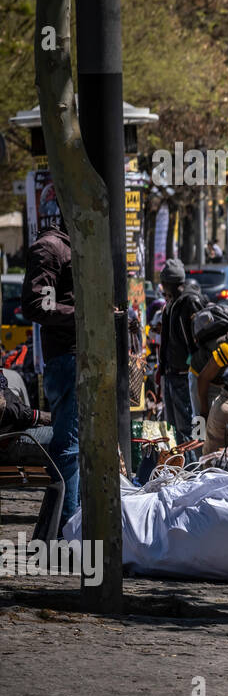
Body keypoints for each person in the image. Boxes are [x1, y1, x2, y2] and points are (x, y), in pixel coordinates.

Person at [21, 217, 78, 531]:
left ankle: (56, 531)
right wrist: (84, 313)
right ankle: (66, 531)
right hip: (66, 357)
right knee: (69, 447)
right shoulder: (51, 247)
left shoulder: (66, 246)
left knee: (73, 446)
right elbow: (37, 304)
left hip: (73, 356)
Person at [157, 258, 204, 443]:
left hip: (187, 376)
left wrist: (192, 367)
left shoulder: (190, 302)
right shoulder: (172, 303)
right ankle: (183, 465)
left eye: (163, 282)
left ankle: (197, 464)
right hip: (172, 374)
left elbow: (197, 341)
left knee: (192, 423)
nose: (161, 286)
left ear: (169, 282)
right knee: (175, 426)